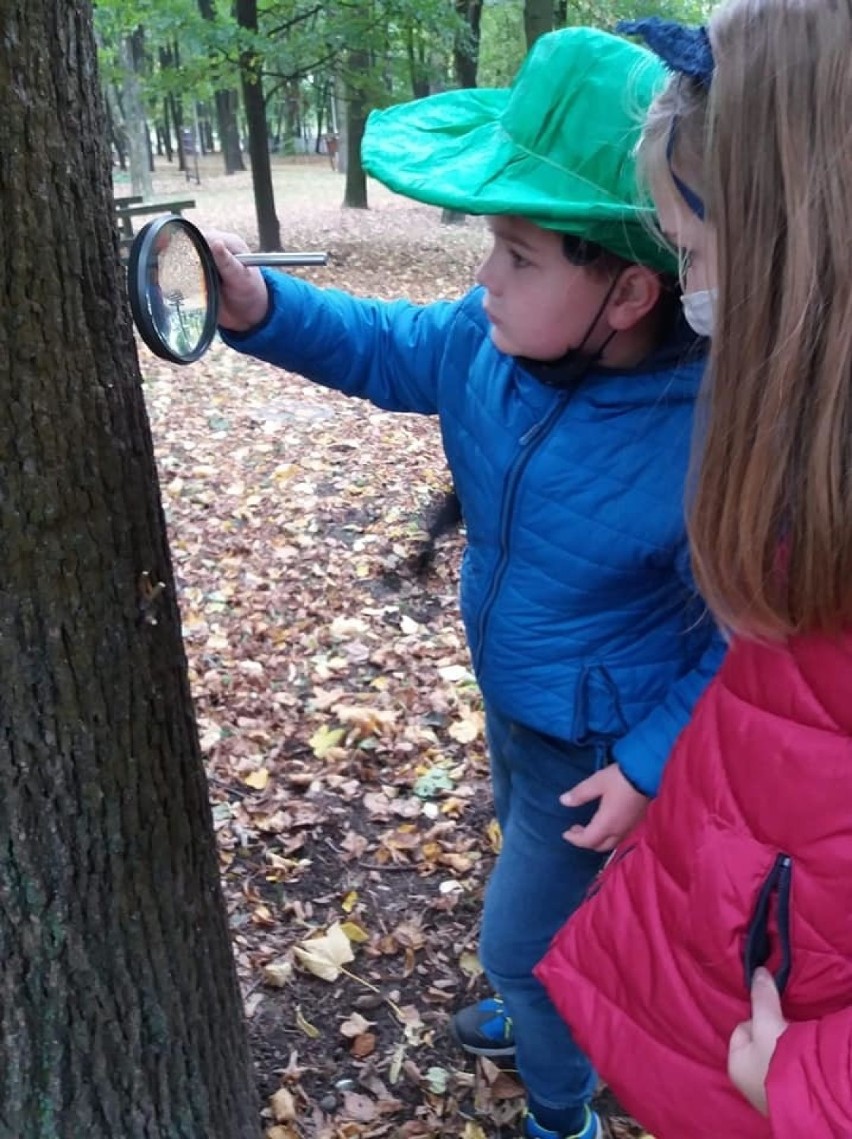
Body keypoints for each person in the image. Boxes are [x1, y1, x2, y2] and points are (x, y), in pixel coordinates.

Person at [208, 28, 725, 1139]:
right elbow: (387, 347)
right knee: (525, 877)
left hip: (601, 749)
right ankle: (542, 996)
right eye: (491, 245)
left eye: (519, 254)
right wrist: (258, 308)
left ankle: (561, 1107)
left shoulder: (702, 444)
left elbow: (743, 636)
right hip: (521, 701)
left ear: (630, 292)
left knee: (522, 945)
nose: (484, 278)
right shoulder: (489, 347)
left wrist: (647, 762)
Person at [537, 10, 852, 1138]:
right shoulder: (806, 463)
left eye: (700, 257)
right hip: (744, 972)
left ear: (801, 257)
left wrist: (816, 1087)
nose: (692, 296)